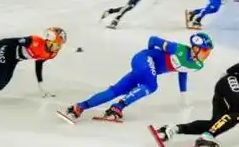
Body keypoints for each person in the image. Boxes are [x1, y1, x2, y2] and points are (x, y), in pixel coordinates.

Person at [58, 33, 212, 124]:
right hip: (144, 60)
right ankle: (118, 107)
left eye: (209, 52)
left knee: (116, 90)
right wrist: (150, 55)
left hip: (145, 69)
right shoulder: (178, 49)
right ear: (195, 48)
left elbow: (183, 71)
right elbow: (153, 40)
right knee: (151, 86)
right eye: (205, 51)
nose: (207, 55)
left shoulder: (198, 65)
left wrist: (183, 94)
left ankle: (79, 107)